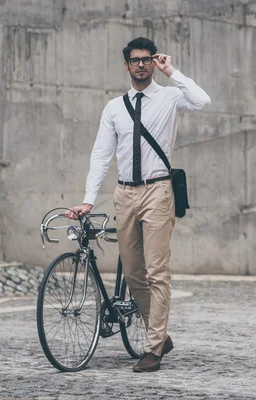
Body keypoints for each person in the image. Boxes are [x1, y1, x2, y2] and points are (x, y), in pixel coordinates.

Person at [66, 37, 211, 372]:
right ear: (127, 65)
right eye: (136, 61)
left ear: (153, 62)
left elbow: (202, 101)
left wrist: (171, 71)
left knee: (157, 270)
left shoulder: (171, 97)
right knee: (133, 273)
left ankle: (153, 347)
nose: (142, 65)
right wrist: (88, 199)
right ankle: (160, 334)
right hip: (125, 195)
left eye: (148, 59)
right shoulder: (115, 107)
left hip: (158, 191)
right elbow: (101, 157)